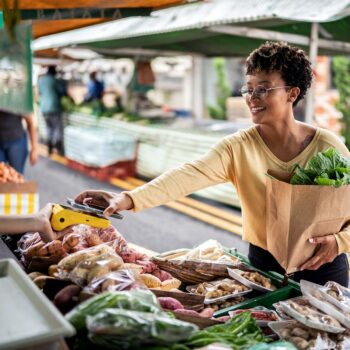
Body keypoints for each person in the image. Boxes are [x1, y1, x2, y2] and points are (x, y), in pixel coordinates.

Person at [75, 42, 350, 287]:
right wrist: (128, 198)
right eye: (248, 88)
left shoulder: (327, 147)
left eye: (263, 89)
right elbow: (188, 175)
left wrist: (339, 242)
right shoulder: (238, 147)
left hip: (325, 267)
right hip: (265, 266)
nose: (251, 98)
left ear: (292, 93)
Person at [38, 66, 66, 156]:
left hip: (44, 108)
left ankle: (49, 148)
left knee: (49, 128)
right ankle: (58, 148)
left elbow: (40, 92)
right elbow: (61, 91)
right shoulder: (54, 80)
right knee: (57, 129)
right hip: (53, 108)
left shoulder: (41, 80)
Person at [0, 109, 38, 174]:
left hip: (16, 142)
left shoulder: (18, 101)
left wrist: (34, 148)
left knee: (16, 175)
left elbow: (30, 123)